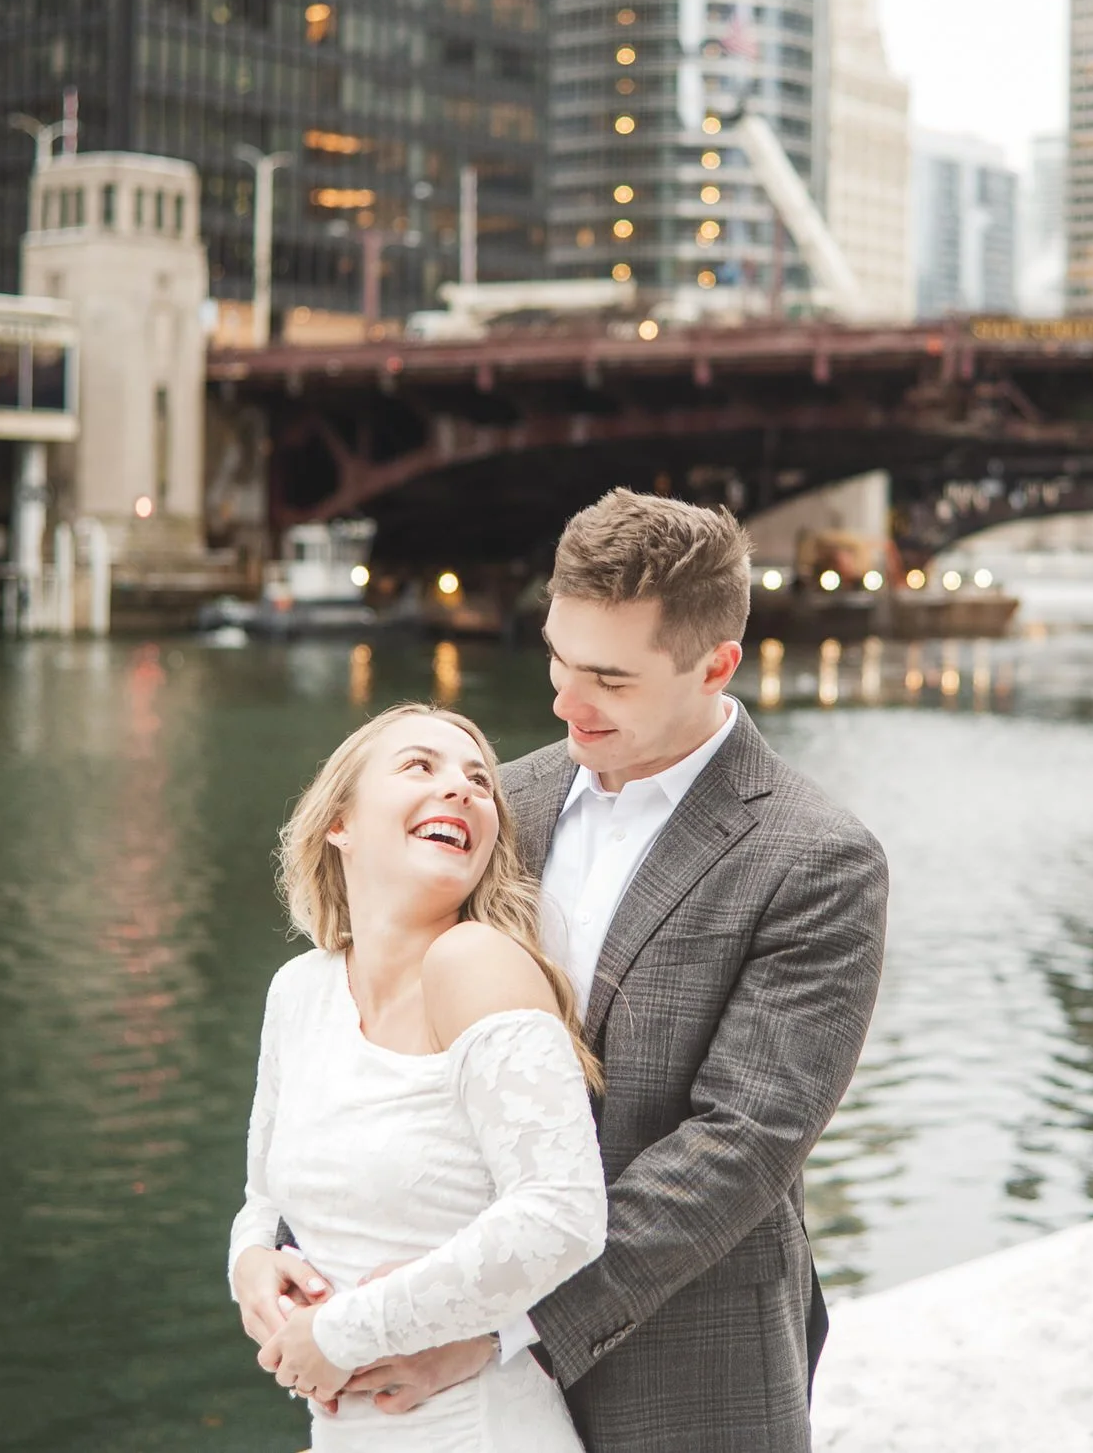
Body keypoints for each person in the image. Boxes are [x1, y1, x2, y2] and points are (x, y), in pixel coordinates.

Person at [323, 489, 893, 1453]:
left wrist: (500, 1324)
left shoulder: (818, 858)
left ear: (717, 664)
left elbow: (741, 1144)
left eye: (610, 678)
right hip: (442, 1361)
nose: (563, 700)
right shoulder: (505, 799)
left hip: (690, 1360)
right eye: (556, 654)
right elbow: (379, 1031)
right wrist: (281, 1250)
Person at [228, 704, 609, 1452]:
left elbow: (563, 1214)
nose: (463, 789)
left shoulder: (478, 962)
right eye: (419, 767)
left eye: (478, 781)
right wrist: (248, 1265)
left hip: (477, 1429)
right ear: (340, 821)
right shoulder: (300, 989)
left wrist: (340, 1332)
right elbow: (261, 1200)